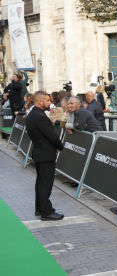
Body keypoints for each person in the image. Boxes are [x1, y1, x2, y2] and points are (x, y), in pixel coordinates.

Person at [26, 91, 64, 221]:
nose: (50, 103)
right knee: (45, 184)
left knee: (41, 183)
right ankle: (47, 212)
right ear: (40, 101)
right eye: (48, 101)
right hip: (46, 154)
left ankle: (40, 209)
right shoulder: (40, 116)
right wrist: (60, 145)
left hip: (40, 152)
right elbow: (51, 135)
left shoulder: (32, 114)